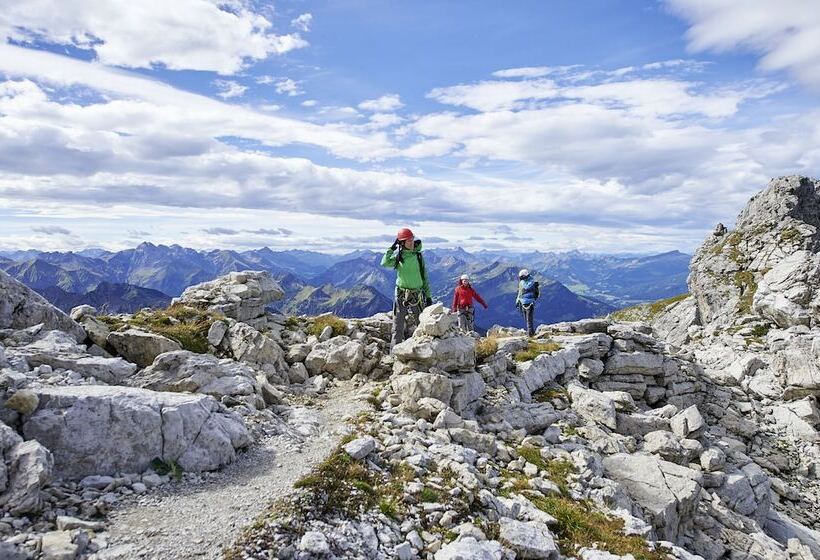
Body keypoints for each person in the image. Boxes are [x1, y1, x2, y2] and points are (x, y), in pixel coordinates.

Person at [381, 228, 433, 347]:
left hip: (417, 294)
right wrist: (392, 248)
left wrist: (428, 296)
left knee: (421, 323)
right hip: (401, 293)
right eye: (408, 240)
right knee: (398, 325)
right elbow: (384, 263)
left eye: (412, 239)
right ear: (402, 243)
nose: (411, 242)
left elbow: (424, 277)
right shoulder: (399, 257)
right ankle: (394, 353)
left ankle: (422, 349)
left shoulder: (418, 257)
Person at [515, 268, 539, 336]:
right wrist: (517, 301)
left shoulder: (531, 281)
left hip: (530, 303)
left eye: (521, 277)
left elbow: (526, 287)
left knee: (529, 319)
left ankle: (530, 334)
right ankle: (531, 331)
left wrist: (522, 282)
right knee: (526, 319)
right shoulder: (522, 282)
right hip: (522, 302)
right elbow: (519, 292)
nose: (520, 279)